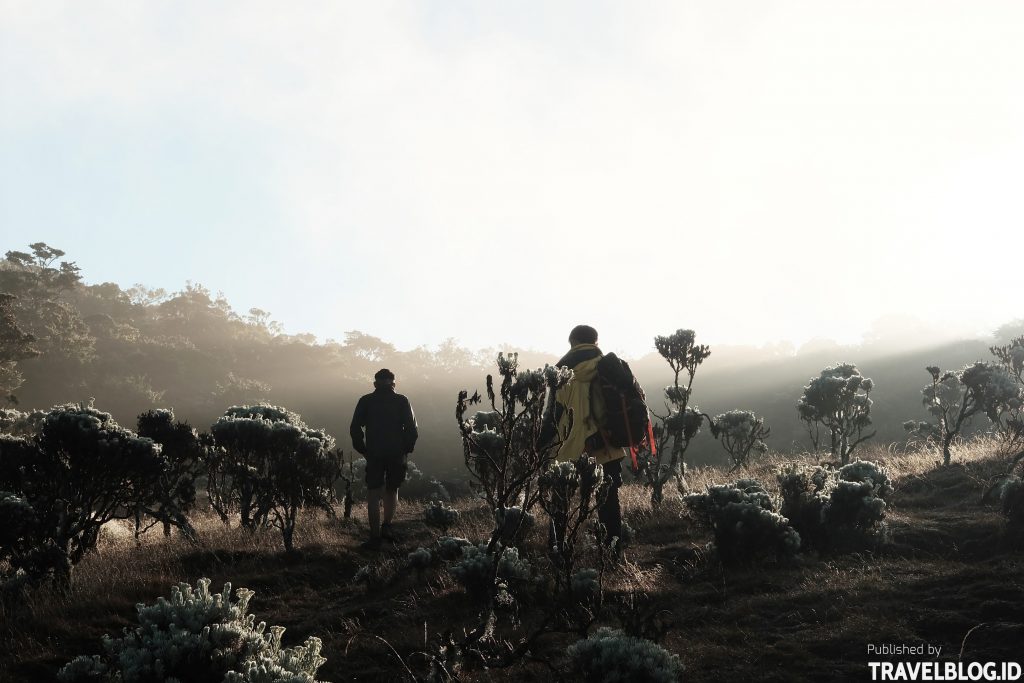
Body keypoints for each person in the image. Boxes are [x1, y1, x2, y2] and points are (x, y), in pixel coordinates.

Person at [543, 324, 638, 548]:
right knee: (608, 503)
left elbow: (552, 416)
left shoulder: (561, 373)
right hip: (606, 444)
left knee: (560, 504)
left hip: (568, 449)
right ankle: (612, 553)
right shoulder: (610, 367)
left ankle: (558, 552)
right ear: (596, 341)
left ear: (572, 343)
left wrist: (540, 445)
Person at [350, 368, 418, 550]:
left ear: (375, 384)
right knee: (392, 488)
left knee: (373, 492)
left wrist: (362, 449)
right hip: (396, 452)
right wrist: (406, 450)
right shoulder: (401, 400)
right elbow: (411, 429)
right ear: (393, 383)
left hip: (374, 452)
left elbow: (355, 427)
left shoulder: (366, 401)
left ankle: (374, 537)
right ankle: (387, 526)